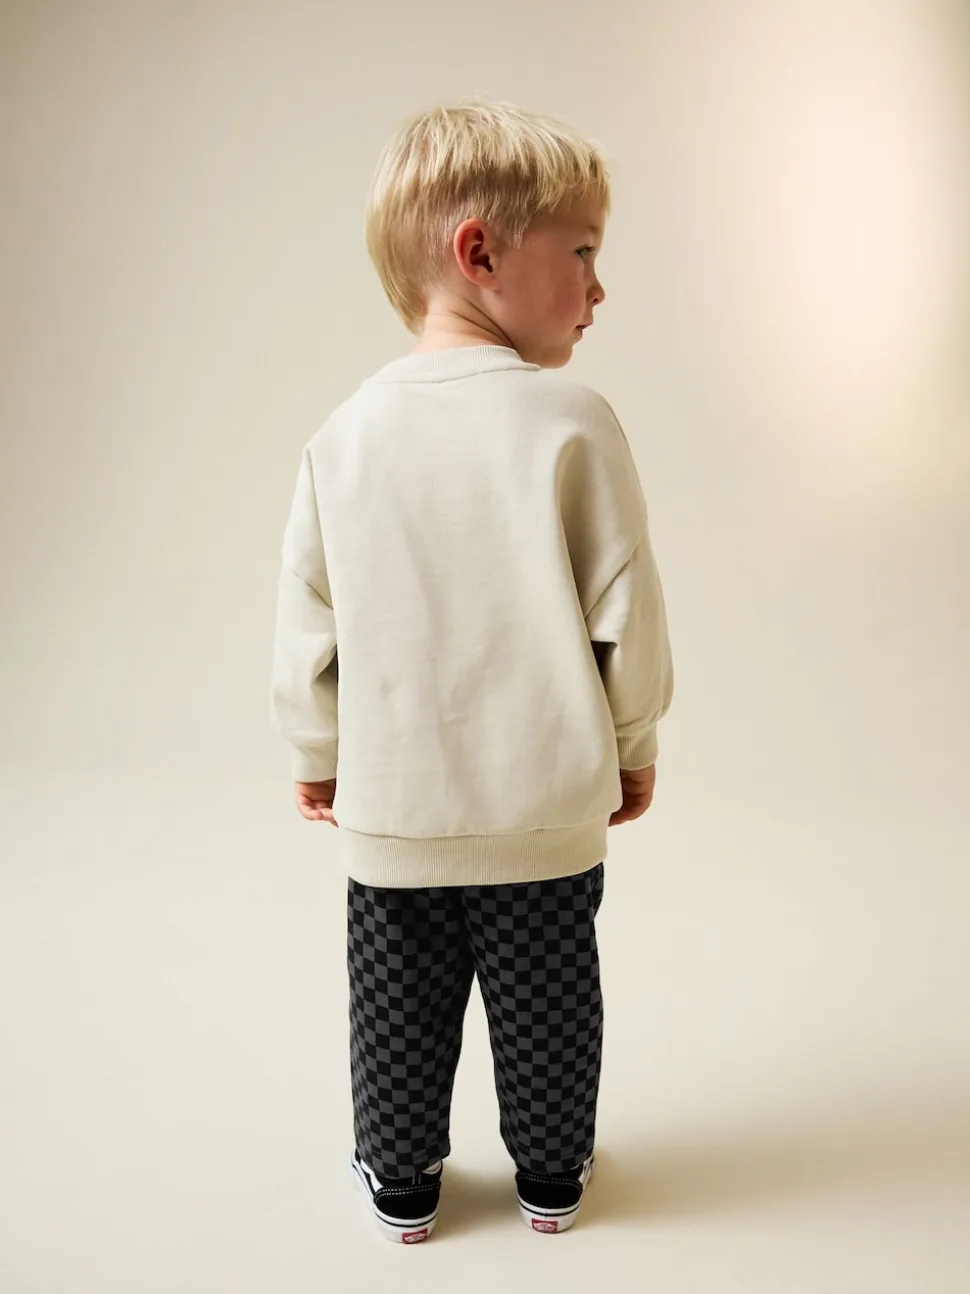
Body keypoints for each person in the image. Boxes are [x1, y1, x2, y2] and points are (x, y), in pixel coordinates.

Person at [270, 99, 674, 1243]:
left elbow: (307, 621)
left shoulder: (343, 436)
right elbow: (626, 609)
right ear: (480, 251)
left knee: (396, 1001)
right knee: (550, 998)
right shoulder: (574, 422)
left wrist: (315, 750)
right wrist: (632, 740)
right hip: (544, 803)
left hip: (394, 806)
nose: (598, 288)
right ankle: (550, 1172)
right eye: (581, 251)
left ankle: (402, 1182)